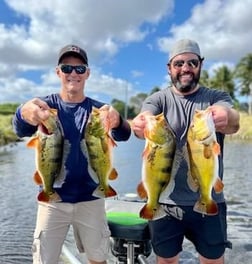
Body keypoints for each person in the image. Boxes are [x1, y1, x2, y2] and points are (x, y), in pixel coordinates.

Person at [12, 44, 131, 264]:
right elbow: (19, 130)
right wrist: (22, 113)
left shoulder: (99, 111)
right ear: (58, 72)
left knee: (98, 258)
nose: (73, 73)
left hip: (92, 199)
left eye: (79, 68)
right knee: (44, 260)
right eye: (67, 68)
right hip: (52, 200)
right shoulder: (44, 107)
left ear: (87, 72)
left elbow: (124, 135)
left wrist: (118, 120)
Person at [132, 39, 240, 264]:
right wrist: (141, 124)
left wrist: (226, 116)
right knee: (167, 260)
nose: (185, 68)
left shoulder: (215, 97)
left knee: (212, 260)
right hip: (165, 201)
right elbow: (145, 118)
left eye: (192, 62)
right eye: (179, 63)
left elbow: (233, 122)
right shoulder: (158, 99)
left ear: (200, 64)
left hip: (210, 196)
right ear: (169, 67)